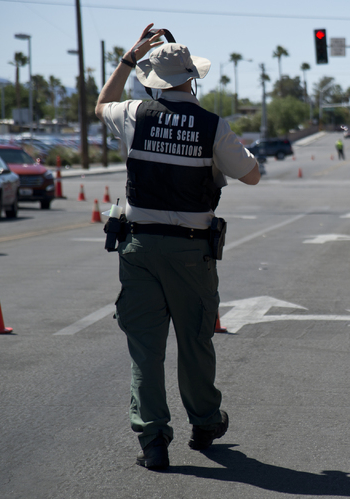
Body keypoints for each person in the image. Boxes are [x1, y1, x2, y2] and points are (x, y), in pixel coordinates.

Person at [95, 24, 260, 470]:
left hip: (139, 247)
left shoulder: (133, 113)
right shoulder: (212, 125)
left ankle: (153, 441)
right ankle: (204, 423)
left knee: (145, 348)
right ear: (192, 79)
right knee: (195, 341)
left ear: (152, 80)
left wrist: (127, 59)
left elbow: (102, 104)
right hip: (191, 252)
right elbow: (251, 175)